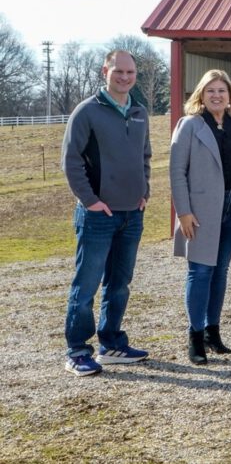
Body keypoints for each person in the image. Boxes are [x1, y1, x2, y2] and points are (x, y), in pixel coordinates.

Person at [60, 49, 151, 376]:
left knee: (119, 284)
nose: (125, 77)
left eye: (130, 72)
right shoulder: (87, 112)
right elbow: (71, 162)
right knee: (86, 285)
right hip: (98, 215)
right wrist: (90, 200)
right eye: (119, 72)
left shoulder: (139, 112)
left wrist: (145, 193)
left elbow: (145, 157)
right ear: (105, 71)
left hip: (132, 215)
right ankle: (77, 350)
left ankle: (111, 343)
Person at [170, 70, 231, 365]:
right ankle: (194, 336)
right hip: (201, 212)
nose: (216, 96)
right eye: (210, 91)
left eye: (221, 91)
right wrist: (184, 212)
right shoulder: (190, 125)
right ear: (201, 95)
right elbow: (177, 172)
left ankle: (212, 332)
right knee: (200, 271)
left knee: (220, 271)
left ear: (230, 95)